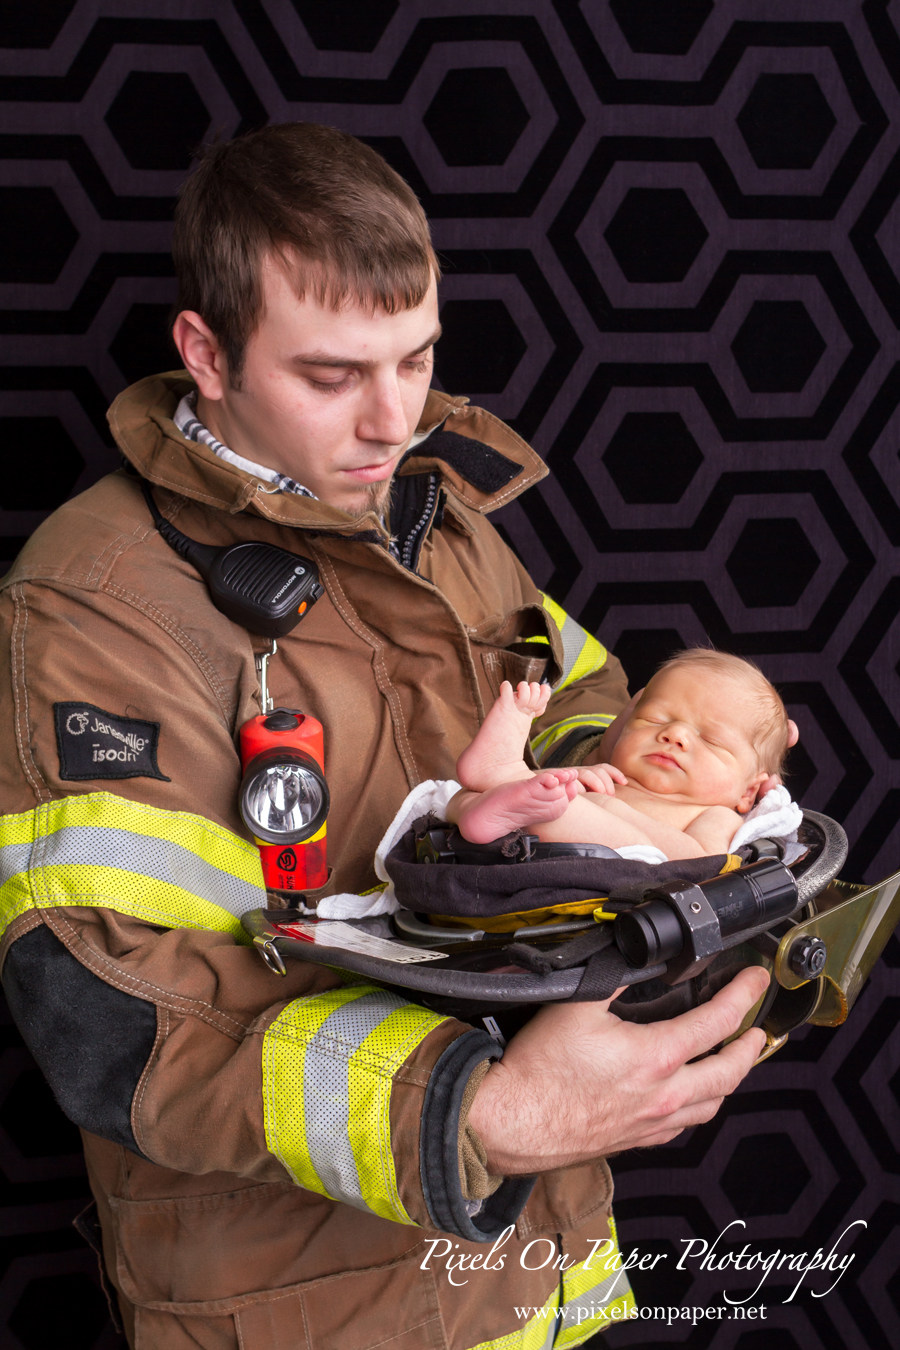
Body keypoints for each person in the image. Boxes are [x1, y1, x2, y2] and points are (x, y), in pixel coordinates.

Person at [0, 123, 773, 1348]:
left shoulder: (437, 518)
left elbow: (580, 711)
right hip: (297, 1300)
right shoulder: (97, 598)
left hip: (531, 1265)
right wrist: (476, 1111)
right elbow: (103, 1004)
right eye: (331, 375)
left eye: (417, 359)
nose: (391, 419)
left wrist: (671, 800)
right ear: (204, 353)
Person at [450, 649, 791, 861]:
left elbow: (701, 864)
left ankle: (504, 776)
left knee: (562, 806)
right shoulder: (608, 773)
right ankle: (483, 798)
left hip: (602, 870)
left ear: (748, 792)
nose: (675, 734)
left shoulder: (715, 816)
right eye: (655, 719)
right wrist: (580, 778)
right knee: (456, 797)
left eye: (713, 740)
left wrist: (609, 811)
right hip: (520, 839)